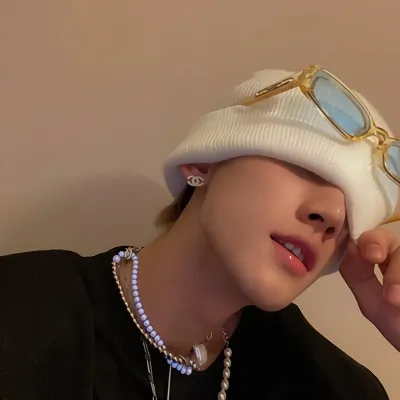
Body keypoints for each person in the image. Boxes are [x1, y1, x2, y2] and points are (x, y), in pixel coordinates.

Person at [1, 64, 399, 400]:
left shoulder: (332, 387)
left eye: (354, 213)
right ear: (202, 164)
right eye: (309, 166)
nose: (333, 216)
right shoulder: (21, 309)